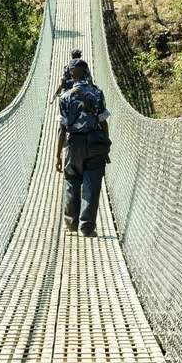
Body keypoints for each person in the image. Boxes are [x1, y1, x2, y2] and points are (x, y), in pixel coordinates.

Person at [55, 59, 110, 237]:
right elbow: (103, 122)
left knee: (72, 181)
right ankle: (87, 228)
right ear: (86, 72)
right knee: (92, 185)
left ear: (71, 74)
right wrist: (106, 144)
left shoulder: (65, 97)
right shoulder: (97, 92)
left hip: (74, 144)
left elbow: (62, 128)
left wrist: (58, 155)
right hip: (95, 143)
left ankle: (71, 224)